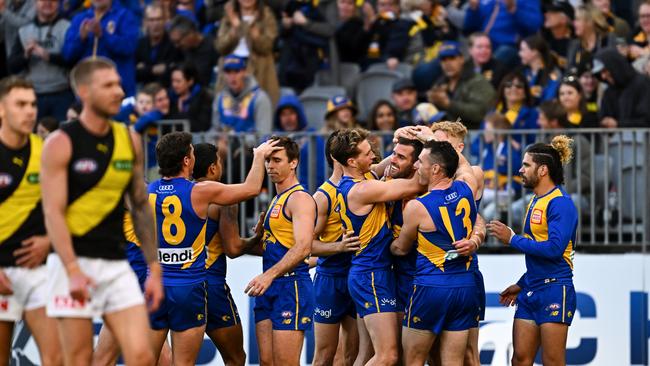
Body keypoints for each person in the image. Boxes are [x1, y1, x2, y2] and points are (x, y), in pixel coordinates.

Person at [40, 57, 163, 365]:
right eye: (108, 85)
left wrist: (155, 266)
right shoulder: (60, 143)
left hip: (116, 263)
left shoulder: (129, 138)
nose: (119, 92)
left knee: (142, 356)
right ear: (83, 92)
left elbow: (139, 204)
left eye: (119, 84)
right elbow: (52, 212)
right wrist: (71, 269)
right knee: (79, 359)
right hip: (73, 262)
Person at [147, 132, 279, 366]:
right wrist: (259, 156)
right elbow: (250, 190)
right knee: (231, 358)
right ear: (187, 161)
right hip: (194, 285)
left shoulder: (147, 192)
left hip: (156, 284)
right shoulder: (205, 193)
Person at [330, 128, 425, 365]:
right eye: (367, 152)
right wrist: (431, 155)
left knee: (367, 353)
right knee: (388, 355)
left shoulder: (361, 178)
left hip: (370, 272)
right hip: (371, 275)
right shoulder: (363, 189)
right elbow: (414, 185)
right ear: (352, 161)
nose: (373, 155)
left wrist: (399, 140)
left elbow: (389, 163)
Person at [390, 139, 483, 365]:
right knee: (453, 361)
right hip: (465, 287)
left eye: (420, 162)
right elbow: (463, 166)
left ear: (435, 169)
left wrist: (385, 241)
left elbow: (401, 249)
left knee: (413, 360)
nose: (415, 166)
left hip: (431, 289)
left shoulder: (417, 206)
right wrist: (476, 239)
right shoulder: (467, 187)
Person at [488, 135, 578, 366]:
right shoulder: (535, 200)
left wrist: (512, 239)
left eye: (527, 164)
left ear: (543, 170)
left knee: (553, 361)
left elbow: (554, 250)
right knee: (519, 359)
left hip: (556, 288)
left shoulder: (561, 203)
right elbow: (538, 250)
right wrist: (522, 283)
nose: (520, 169)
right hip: (532, 289)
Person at [0, 76, 62, 366]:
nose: (29, 111)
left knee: (55, 357)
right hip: (1, 270)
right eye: (20, 104)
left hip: (37, 270)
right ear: (2, 109)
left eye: (33, 104)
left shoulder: (48, 152)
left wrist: (49, 240)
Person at [245, 136, 317, 366]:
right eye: (267, 160)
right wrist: (255, 240)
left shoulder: (300, 198)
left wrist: (269, 275)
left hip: (291, 285)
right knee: (266, 362)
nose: (270, 166)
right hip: (271, 286)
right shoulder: (277, 198)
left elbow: (304, 246)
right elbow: (275, 247)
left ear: (293, 163)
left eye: (276, 160)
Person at [192, 142, 266, 366]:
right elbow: (233, 248)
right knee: (235, 358)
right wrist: (257, 238)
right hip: (211, 287)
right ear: (213, 168)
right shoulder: (222, 199)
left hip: (180, 282)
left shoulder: (180, 193)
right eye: (221, 161)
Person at [311, 131, 362, 366]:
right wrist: (339, 246)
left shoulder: (364, 182)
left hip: (357, 276)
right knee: (324, 355)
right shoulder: (323, 196)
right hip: (330, 279)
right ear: (336, 156)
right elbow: (307, 245)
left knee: (352, 355)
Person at [7, 0, 73, 121]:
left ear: (58, 3)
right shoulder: (24, 30)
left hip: (62, 93)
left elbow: (74, 60)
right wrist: (25, 56)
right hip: (33, 95)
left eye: (53, 0)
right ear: (35, 3)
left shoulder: (68, 27)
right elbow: (11, 66)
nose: (48, 3)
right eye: (43, 0)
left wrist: (48, 56)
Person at [61, 0, 139, 97]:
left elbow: (129, 47)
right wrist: (81, 38)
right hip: (88, 89)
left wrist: (103, 35)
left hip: (118, 88)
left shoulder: (125, 16)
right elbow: (67, 55)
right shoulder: (80, 18)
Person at [215, 0, 280, 107]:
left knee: (255, 108)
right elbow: (220, 46)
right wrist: (234, 30)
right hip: (230, 66)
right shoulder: (229, 16)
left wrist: (255, 36)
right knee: (228, 109)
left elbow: (267, 47)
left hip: (259, 69)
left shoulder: (266, 15)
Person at [428, 41, 496, 129]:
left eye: (452, 58)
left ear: (462, 59)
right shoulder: (439, 83)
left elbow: (480, 112)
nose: (448, 63)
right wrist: (432, 103)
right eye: (443, 60)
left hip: (474, 136)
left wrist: (449, 104)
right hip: (446, 136)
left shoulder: (477, 81)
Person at [463, 0, 542, 68]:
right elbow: (468, 27)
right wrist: (473, 9)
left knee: (492, 63)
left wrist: (514, 10)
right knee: (464, 65)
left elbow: (534, 24)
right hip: (485, 44)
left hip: (510, 46)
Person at [213, 55, 273, 134]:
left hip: (253, 146)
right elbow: (214, 131)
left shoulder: (260, 98)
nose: (232, 77)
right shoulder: (220, 98)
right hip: (223, 146)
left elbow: (264, 134)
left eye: (236, 71)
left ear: (245, 72)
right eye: (228, 72)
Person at [593, 48, 650, 128]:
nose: (603, 76)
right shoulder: (609, 91)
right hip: (615, 140)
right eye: (600, 73)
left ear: (615, 65)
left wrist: (618, 124)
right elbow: (603, 117)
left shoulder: (642, 84)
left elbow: (646, 119)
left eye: (605, 70)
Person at [135, 3, 182, 87]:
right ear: (145, 22)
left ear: (165, 21)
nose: (155, 24)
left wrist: (145, 69)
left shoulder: (174, 44)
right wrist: (153, 70)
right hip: (145, 90)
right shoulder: (140, 44)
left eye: (159, 19)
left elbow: (171, 71)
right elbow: (136, 73)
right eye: (151, 20)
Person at [168, 15, 219, 88]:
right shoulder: (181, 51)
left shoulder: (213, 47)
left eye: (178, 41)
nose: (176, 46)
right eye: (174, 42)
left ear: (191, 33)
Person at [566, 4, 615, 69]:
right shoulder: (575, 45)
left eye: (577, 20)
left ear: (590, 22)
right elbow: (569, 71)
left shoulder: (607, 39)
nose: (574, 23)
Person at [168, 63, 213, 132]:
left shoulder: (203, 98)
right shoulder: (169, 97)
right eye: (173, 80)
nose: (174, 85)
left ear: (190, 81)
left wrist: (181, 115)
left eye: (178, 81)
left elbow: (202, 126)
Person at [518, 34, 561, 105]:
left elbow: (549, 101)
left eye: (523, 50)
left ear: (535, 52)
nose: (519, 54)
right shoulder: (525, 73)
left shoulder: (552, 74)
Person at [541, 0, 574, 70]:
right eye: (547, 11)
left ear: (564, 19)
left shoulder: (574, 43)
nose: (546, 14)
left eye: (552, 13)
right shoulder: (544, 38)